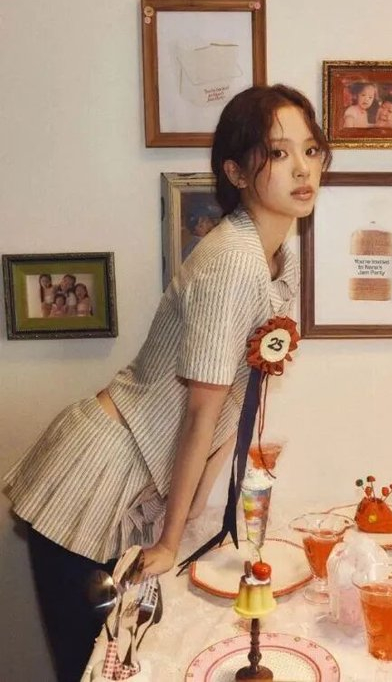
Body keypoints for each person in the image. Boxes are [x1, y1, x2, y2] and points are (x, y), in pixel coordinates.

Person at [3, 84, 331, 682]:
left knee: (126, 657)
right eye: (278, 153)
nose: (303, 168)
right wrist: (172, 540)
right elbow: (200, 411)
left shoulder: (279, 254)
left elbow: (235, 398)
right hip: (97, 471)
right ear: (236, 171)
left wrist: (192, 514)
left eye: (310, 150)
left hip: (133, 475)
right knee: (98, 665)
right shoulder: (233, 260)